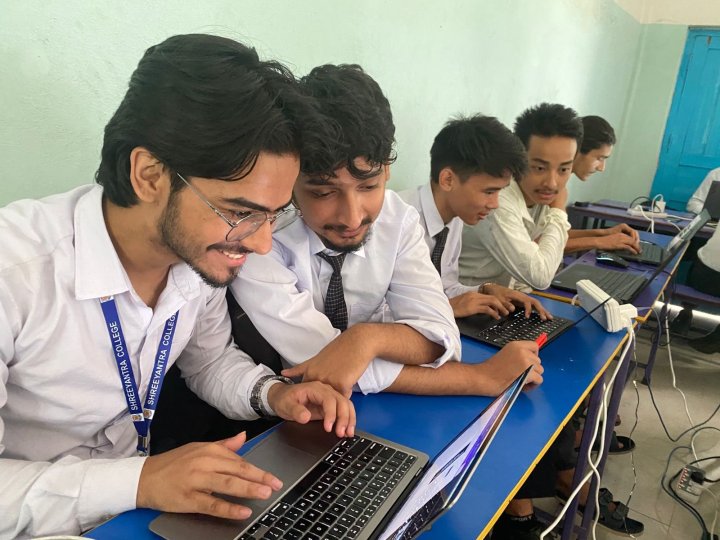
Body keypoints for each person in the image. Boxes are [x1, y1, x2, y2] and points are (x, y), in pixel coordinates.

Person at [0, 34, 355, 539]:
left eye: (276, 215)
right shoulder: (15, 274)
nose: (261, 244)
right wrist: (140, 481)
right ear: (149, 175)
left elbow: (209, 361)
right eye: (239, 213)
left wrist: (274, 394)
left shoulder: (195, 259)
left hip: (137, 510)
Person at [232, 64, 543, 400]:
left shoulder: (398, 220)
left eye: (368, 186)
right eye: (323, 192)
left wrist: (368, 339)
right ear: (292, 180)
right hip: (289, 408)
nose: (352, 217)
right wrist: (478, 379)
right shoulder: (262, 240)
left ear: (387, 171)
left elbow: (441, 335)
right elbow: (325, 363)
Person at [398, 114, 551, 321]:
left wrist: (484, 290)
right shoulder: (396, 221)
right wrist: (446, 308)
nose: (495, 204)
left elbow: (445, 287)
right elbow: (367, 310)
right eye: (489, 192)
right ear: (448, 180)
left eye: (500, 191)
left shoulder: (454, 218)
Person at [458, 103, 579, 291]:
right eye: (539, 168)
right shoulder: (498, 202)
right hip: (467, 300)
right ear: (520, 159)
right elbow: (540, 276)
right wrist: (559, 211)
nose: (552, 183)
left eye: (563, 169)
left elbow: (532, 259)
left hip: (505, 297)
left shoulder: (538, 194)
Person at [564, 115, 640, 254]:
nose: (601, 168)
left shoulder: (561, 187)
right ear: (577, 150)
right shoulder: (547, 188)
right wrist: (600, 242)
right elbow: (538, 246)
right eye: (599, 158)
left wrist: (604, 233)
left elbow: (558, 236)